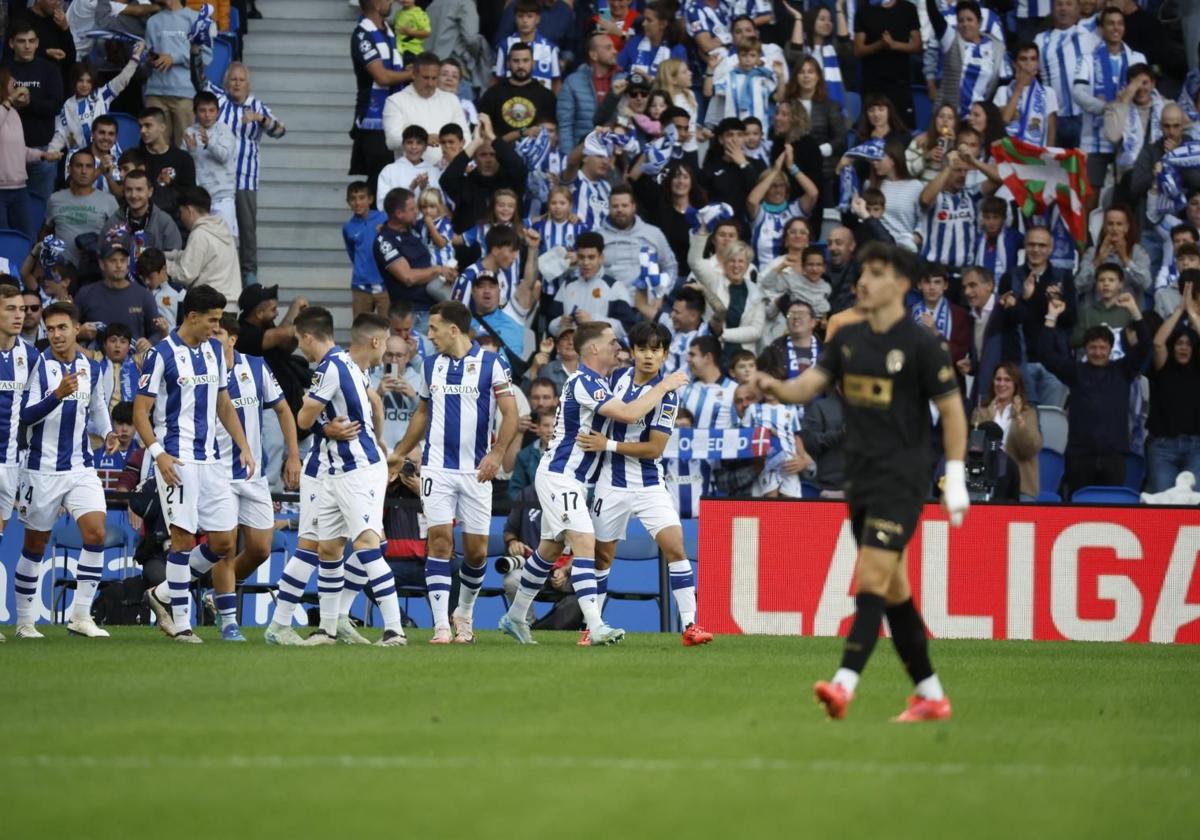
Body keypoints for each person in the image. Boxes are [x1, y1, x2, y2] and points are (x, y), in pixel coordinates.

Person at [755, 242, 969, 722]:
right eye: (863, 274)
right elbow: (808, 385)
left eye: (876, 273)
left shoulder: (921, 345)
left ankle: (843, 684)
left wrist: (953, 475)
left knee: (870, 576)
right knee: (894, 591)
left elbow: (953, 412)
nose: (864, 282)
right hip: (862, 481)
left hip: (904, 479)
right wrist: (774, 388)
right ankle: (931, 695)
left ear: (901, 284)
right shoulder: (848, 339)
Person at [498, 320, 689, 645]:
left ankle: (514, 617)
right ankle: (595, 625)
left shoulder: (603, 381)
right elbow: (629, 414)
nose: (619, 347)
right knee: (586, 544)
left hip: (572, 478)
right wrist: (665, 385)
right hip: (562, 477)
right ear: (595, 348)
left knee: (548, 550)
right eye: (612, 342)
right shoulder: (585, 382)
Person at [386, 300, 518, 643]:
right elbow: (422, 414)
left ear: (453, 330)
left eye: (433, 329)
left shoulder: (492, 363)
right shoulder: (431, 366)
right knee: (440, 542)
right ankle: (442, 625)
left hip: (477, 471)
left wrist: (497, 452)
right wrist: (399, 453)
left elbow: (511, 414)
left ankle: (464, 612)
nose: (429, 336)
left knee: (475, 552)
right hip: (437, 470)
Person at [575, 320, 714, 647]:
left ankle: (691, 625)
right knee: (601, 559)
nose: (649, 356)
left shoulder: (667, 397)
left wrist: (607, 445)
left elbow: (655, 448)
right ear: (633, 352)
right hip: (611, 484)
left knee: (675, 547)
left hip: (650, 484)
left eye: (656, 350)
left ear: (665, 355)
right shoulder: (615, 380)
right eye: (643, 349)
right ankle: (591, 626)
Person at [135, 285, 254, 643]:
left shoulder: (215, 351)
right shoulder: (161, 354)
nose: (217, 328)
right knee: (183, 539)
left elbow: (223, 405)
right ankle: (183, 624)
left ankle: (164, 594)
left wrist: (244, 446)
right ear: (192, 317)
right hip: (177, 457)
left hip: (212, 460)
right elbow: (141, 412)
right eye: (213, 320)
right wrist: (159, 454)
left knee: (223, 542)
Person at [290, 309, 406, 646]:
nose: (384, 351)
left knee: (368, 543)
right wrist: (380, 439)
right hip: (342, 470)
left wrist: (320, 422)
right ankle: (328, 629)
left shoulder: (333, 367)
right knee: (329, 546)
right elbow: (377, 405)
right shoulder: (354, 368)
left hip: (358, 469)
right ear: (375, 341)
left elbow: (302, 419)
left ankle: (394, 629)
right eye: (384, 344)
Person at [11, 301, 119, 640]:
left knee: (96, 533)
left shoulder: (92, 367)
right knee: (35, 544)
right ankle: (25, 621)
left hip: (80, 466)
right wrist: (56, 395)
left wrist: (109, 432)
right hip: (40, 470)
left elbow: (98, 407)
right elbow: (24, 417)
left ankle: (81, 616)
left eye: (62, 328)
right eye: (50, 329)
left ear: (76, 329)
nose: (56, 335)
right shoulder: (36, 365)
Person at [204, 315, 301, 642]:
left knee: (261, 548)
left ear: (232, 338)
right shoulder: (202, 370)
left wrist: (293, 454)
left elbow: (283, 409)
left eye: (218, 333)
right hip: (218, 474)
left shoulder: (256, 367)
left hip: (254, 474)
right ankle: (229, 619)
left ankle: (217, 595)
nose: (212, 337)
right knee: (225, 548)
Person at [1041, 293, 1150, 495]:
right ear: (1085, 349)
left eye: (1102, 347)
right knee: (1079, 508)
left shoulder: (1123, 370)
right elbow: (1047, 354)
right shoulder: (1075, 372)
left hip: (1114, 456)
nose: (1098, 352)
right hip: (1080, 456)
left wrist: (1134, 310)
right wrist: (1051, 316)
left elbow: (1145, 346)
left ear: (1110, 349)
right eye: (1093, 347)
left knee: (1111, 509)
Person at [190, 59, 285, 286]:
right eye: (233, 79)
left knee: (247, 231)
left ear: (248, 84)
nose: (237, 83)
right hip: (214, 180)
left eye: (242, 80)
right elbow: (199, 79)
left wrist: (260, 119)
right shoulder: (218, 102)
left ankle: (249, 279)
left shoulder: (257, 106)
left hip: (244, 177)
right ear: (226, 82)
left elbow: (280, 131)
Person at [1072, 6, 1146, 201]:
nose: (1116, 28)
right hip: (1094, 141)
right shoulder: (1087, 60)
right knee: (1089, 198)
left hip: (1128, 142)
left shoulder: (1137, 58)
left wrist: (1120, 103)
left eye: (1120, 23)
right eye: (1110, 23)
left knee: (1125, 198)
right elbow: (1078, 93)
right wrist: (1106, 108)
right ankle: (1088, 233)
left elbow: (1145, 95)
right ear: (1102, 28)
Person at [0, 285, 37, 641]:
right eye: (10, 308)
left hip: (12, 464)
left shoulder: (31, 356)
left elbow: (33, 413)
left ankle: (24, 621)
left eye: (21, 309)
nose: (18, 314)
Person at [3, 22, 64, 216]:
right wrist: (11, 101)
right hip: (6, 155)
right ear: (11, 43)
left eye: (31, 41)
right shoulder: (3, 70)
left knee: (42, 211)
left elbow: (56, 106)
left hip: (42, 150)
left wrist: (28, 104)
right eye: (21, 41)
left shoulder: (49, 69)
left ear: (38, 43)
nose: (27, 46)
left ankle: (38, 246)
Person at [350, 0, 411, 192]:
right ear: (376, 4)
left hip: (395, 113)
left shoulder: (388, 31)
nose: (391, 1)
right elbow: (382, 76)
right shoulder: (363, 35)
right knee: (379, 179)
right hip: (373, 119)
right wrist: (411, 74)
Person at [1146, 282, 1200, 492]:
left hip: (1197, 446)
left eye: (1188, 344)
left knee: (1195, 507)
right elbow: (1158, 343)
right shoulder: (1163, 367)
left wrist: (1192, 314)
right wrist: (1179, 310)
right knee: (1162, 507)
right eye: (1179, 343)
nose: (1183, 347)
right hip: (1162, 447)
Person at [971, 363, 1043, 500]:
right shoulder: (981, 411)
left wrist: (1019, 418)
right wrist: (988, 416)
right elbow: (975, 447)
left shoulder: (1028, 413)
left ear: (1016, 384)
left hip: (1021, 485)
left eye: (1007, 380)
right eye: (998, 379)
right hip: (984, 483)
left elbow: (1030, 449)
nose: (1001, 384)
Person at [925, 0, 1007, 120]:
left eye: (970, 20)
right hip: (950, 118)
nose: (965, 24)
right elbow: (934, 16)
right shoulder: (951, 39)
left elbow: (1003, 81)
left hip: (978, 120)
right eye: (961, 20)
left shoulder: (996, 47)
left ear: (979, 22)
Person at [382, 52, 468, 163]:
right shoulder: (395, 101)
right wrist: (424, 139)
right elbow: (392, 141)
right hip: (409, 173)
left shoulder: (451, 100)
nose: (430, 83)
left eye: (434, 78)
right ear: (413, 74)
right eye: (426, 78)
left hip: (447, 172)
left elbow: (465, 138)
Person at [144, 0, 209, 146]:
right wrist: (148, 59)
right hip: (155, 92)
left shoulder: (196, 19)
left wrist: (174, 58)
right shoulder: (152, 21)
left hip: (184, 94)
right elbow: (147, 53)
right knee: (155, 148)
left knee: (185, 147)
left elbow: (206, 56)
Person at [74, 239, 162, 345]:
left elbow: (157, 332)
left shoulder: (144, 295)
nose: (119, 265)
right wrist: (79, 333)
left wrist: (149, 342)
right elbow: (67, 328)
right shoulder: (85, 294)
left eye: (123, 260)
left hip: (134, 359)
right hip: (94, 359)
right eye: (113, 260)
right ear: (102, 264)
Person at [164, 186, 241, 307]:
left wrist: (164, 265)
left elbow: (185, 274)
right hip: (231, 304)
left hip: (211, 305)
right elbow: (192, 257)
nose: (181, 217)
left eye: (181, 212)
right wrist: (168, 255)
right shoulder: (221, 229)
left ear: (189, 210)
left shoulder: (199, 234)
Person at [1036, 0, 1097, 149]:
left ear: (1078, 9)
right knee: (1055, 169)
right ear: (1052, 8)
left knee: (1083, 168)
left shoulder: (1091, 36)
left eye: (1069, 4)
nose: (1063, 8)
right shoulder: (1040, 40)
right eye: (1059, 4)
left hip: (1084, 116)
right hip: (1054, 117)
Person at [44, 149, 118, 268]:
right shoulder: (55, 199)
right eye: (79, 166)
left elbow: (119, 237)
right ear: (69, 169)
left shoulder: (109, 201)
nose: (84, 171)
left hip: (95, 269)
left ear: (95, 170)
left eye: (89, 166)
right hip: (60, 270)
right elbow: (46, 233)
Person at [852, 0, 921, 126]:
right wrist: (879, 45)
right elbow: (858, 50)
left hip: (900, 84)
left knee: (903, 131)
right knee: (872, 131)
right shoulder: (864, 10)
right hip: (872, 86)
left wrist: (894, 45)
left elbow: (917, 45)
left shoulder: (908, 8)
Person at [182, 90, 238, 238]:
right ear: (195, 112)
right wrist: (192, 151)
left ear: (218, 112)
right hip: (200, 200)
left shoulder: (224, 131)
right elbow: (186, 165)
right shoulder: (189, 132)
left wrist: (209, 143)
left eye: (211, 110)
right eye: (202, 110)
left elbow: (224, 156)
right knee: (202, 240)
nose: (207, 115)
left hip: (223, 197)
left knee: (226, 240)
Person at [478, 42, 558, 144]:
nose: (520, 65)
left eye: (525, 60)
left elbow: (551, 133)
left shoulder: (547, 96)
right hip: (499, 156)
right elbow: (484, 133)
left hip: (535, 155)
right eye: (516, 61)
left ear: (533, 63)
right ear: (508, 63)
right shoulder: (493, 94)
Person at [558, 32, 618, 156]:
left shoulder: (622, 81)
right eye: (608, 48)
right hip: (583, 154)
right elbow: (565, 125)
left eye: (613, 47)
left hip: (615, 154)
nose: (615, 51)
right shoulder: (573, 82)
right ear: (593, 55)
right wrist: (569, 159)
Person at [99, 168, 183, 258]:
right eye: (129, 190)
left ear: (150, 192)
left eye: (139, 189)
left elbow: (175, 259)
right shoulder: (114, 222)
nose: (133, 195)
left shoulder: (164, 222)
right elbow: (103, 256)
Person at [137, 106, 196, 220]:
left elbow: (191, 195)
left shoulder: (183, 158)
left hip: (174, 221)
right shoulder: (136, 157)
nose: (142, 131)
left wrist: (171, 184)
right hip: (142, 219)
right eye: (140, 126)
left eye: (148, 126)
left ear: (162, 127)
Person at [996, 42, 1058, 147]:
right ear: (1014, 64)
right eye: (1023, 59)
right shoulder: (1003, 91)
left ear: (1038, 64)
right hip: (1009, 152)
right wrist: (1019, 87)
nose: (1028, 63)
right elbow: (1003, 120)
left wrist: (1048, 156)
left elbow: (1051, 130)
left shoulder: (1048, 92)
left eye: (1033, 59)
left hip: (1036, 155)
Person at [492, 0, 562, 93]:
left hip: (541, 104)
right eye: (520, 16)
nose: (525, 21)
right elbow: (496, 79)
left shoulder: (550, 48)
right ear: (515, 18)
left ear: (537, 19)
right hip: (511, 103)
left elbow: (556, 82)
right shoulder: (504, 46)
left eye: (529, 16)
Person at [344, 180, 390, 317]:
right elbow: (352, 253)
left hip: (385, 283)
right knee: (361, 329)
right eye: (353, 199)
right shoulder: (348, 227)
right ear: (348, 202)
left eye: (362, 198)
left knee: (387, 329)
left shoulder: (384, 218)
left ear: (370, 199)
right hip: (361, 286)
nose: (357, 203)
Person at [680, 335, 737, 429]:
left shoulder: (734, 390)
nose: (688, 359)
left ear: (708, 357)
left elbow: (740, 429)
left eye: (692, 355)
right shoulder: (682, 388)